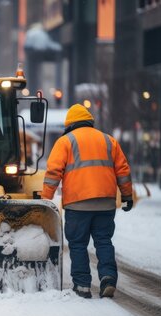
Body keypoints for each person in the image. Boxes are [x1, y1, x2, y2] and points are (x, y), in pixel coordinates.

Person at [42, 104, 133, 299]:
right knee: (103, 241)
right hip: (106, 203)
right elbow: (123, 171)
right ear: (89, 122)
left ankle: (82, 285)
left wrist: (45, 199)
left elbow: (53, 173)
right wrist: (127, 196)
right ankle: (108, 277)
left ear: (70, 124)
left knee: (78, 244)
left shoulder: (65, 141)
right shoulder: (109, 141)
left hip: (78, 204)